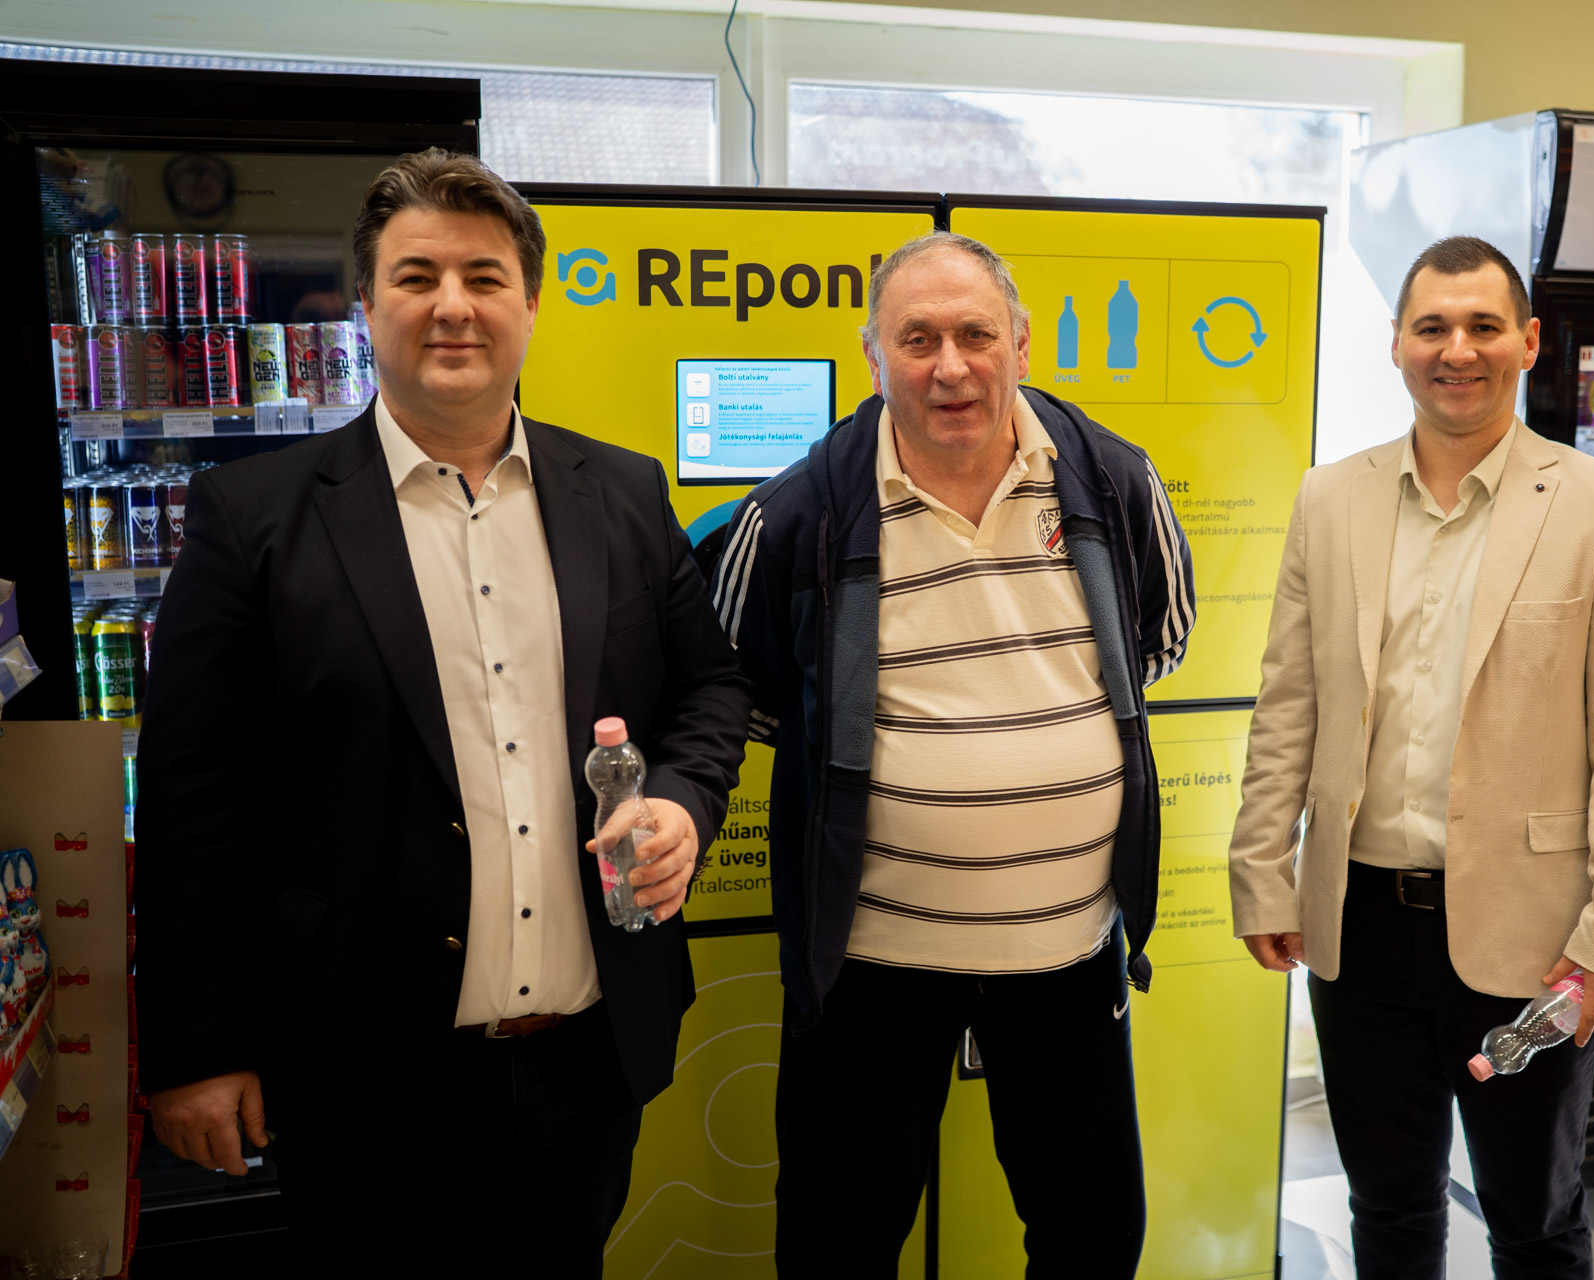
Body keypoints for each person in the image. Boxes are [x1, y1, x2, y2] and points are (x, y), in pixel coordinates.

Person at [135, 149, 751, 1276]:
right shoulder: (252, 516)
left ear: (531, 304)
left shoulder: (622, 490)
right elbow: (190, 800)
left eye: (484, 276)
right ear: (366, 306)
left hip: (589, 1055)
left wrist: (680, 802)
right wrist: (198, 1047)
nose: (453, 306)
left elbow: (711, 685)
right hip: (359, 1068)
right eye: (417, 277)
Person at [708, 230, 1194, 1277]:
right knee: (838, 1244)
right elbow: (735, 684)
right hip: (870, 963)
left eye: (975, 334)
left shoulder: (1112, 481)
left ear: (1021, 342)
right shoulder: (799, 509)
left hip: (1070, 952)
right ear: (872, 355)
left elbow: (1159, 639)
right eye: (917, 338)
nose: (950, 366)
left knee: (1094, 1237)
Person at [1227, 236, 1594, 1278]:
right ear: (1396, 343)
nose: (1457, 350)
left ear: (1528, 341)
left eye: (1483, 326)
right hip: (1361, 925)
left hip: (1536, 933)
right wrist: (1263, 871)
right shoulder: (1329, 498)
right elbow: (1288, 700)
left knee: (1534, 1221)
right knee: (1386, 1207)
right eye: (1432, 327)